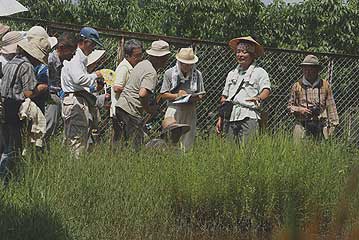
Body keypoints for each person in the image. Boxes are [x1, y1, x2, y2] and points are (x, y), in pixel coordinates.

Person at [0, 37, 50, 185]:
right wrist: (41, 88)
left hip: (4, 106)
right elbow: (28, 93)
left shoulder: (11, 62)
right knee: (13, 149)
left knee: (4, 146)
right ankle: (4, 181)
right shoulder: (27, 66)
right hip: (14, 109)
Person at [115, 40, 170, 150]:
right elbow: (143, 93)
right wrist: (148, 109)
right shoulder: (151, 72)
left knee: (120, 145)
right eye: (165, 58)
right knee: (135, 147)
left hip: (121, 107)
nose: (166, 60)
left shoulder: (142, 64)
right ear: (160, 58)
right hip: (131, 110)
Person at [215, 36, 271, 143]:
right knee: (229, 151)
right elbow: (224, 97)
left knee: (248, 150)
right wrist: (220, 118)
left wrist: (258, 97)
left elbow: (266, 90)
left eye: (244, 52)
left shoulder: (260, 72)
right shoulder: (231, 74)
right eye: (238, 52)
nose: (240, 55)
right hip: (231, 116)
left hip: (249, 115)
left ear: (252, 55)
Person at [61, 27, 104, 157]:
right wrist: (96, 75)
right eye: (93, 44)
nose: (93, 48)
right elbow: (78, 79)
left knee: (75, 138)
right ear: (86, 42)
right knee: (77, 140)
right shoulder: (76, 57)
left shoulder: (80, 58)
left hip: (77, 98)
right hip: (75, 101)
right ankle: (73, 169)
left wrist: (95, 86)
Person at [160, 47, 205, 150]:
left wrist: (190, 98)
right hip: (174, 108)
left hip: (189, 109)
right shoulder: (169, 73)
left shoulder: (197, 74)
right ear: (179, 62)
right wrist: (177, 96)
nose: (187, 66)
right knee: (170, 138)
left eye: (190, 64)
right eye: (185, 63)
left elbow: (201, 95)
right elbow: (163, 94)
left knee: (188, 140)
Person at [288, 54, 339, 141]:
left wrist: (333, 126)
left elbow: (331, 107)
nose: (308, 71)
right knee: (297, 150)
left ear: (317, 70)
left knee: (322, 150)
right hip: (302, 123)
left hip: (321, 124)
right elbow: (290, 107)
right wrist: (300, 109)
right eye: (305, 69)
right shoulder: (297, 86)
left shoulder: (325, 85)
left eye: (311, 69)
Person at [44, 32, 78, 147]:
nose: (72, 55)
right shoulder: (51, 60)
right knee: (48, 126)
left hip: (56, 95)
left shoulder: (62, 62)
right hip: (50, 96)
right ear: (62, 48)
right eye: (71, 51)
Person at [111, 39, 143, 145]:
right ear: (128, 56)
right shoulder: (124, 67)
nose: (139, 58)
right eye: (136, 56)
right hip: (121, 112)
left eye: (140, 55)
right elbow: (117, 87)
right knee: (120, 142)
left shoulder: (132, 67)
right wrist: (133, 91)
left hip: (128, 111)